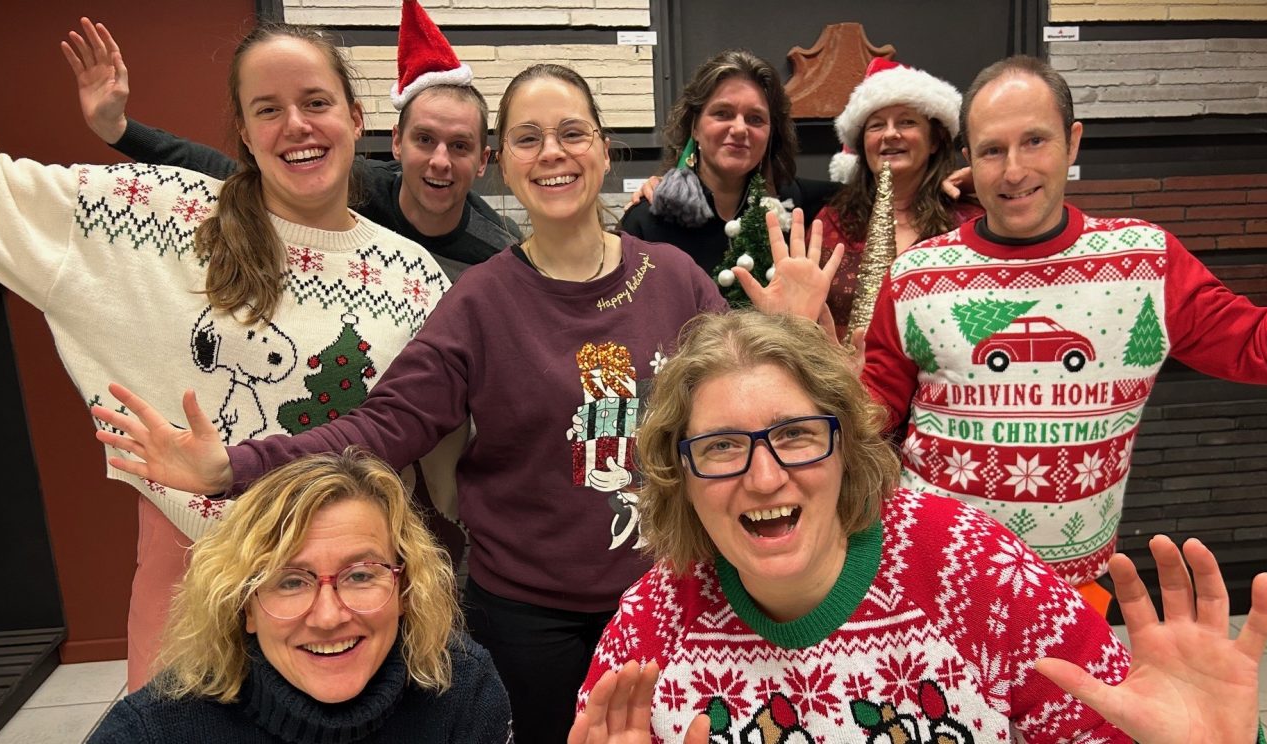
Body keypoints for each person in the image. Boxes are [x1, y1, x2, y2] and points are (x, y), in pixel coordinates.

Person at [89, 63, 836, 743]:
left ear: (605, 151)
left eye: (572, 132)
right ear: (503, 163)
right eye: (528, 138)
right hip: (527, 619)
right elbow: (384, 427)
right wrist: (229, 466)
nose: (552, 152)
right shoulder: (479, 301)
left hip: (673, 594)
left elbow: (752, 419)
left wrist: (795, 338)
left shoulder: (674, 279)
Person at [0, 22, 449, 690]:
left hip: (349, 585)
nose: (296, 126)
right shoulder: (161, 216)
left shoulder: (413, 278)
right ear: (245, 133)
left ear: (355, 117)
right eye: (268, 109)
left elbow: (447, 452)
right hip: (191, 567)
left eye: (315, 102)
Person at [577, 310, 1267, 744]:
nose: (764, 478)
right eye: (721, 447)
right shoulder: (649, 631)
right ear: (679, 476)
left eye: (796, 435)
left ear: (848, 449)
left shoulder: (969, 566)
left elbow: (1122, 728)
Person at [861, 54, 1267, 599]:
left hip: (1074, 591)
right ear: (969, 158)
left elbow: (1266, 353)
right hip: (934, 580)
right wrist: (811, 355)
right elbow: (868, 418)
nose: (1013, 170)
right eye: (992, 150)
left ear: (1072, 143)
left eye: (1035, 141)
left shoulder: (1145, 260)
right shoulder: (916, 274)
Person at [63, 1, 517, 282]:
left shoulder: (498, 251)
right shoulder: (350, 185)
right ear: (397, 143)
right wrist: (118, 128)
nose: (440, 161)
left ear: (483, 160)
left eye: (460, 146)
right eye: (424, 139)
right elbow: (219, 170)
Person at [88, 449, 511, 743]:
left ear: (404, 589)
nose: (328, 617)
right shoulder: (152, 731)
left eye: (361, 575)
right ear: (245, 606)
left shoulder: (463, 692)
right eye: (290, 582)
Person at [620, 49, 838, 276]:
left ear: (771, 133)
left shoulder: (791, 202)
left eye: (755, 118)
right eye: (723, 113)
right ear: (695, 127)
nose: (740, 129)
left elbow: (860, 193)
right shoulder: (648, 220)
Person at [818, 57, 984, 341]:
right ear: (862, 144)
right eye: (876, 125)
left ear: (934, 141)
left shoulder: (969, 221)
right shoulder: (832, 222)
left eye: (907, 122)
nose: (891, 134)